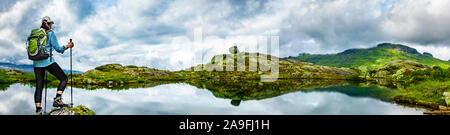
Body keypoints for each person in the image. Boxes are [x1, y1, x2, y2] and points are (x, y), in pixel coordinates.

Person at [33, 16, 74, 115]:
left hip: (36, 63)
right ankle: (57, 99)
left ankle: (38, 110)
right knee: (63, 78)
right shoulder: (50, 33)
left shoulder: (35, 34)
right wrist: (68, 46)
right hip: (48, 61)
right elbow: (59, 49)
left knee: (39, 86)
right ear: (48, 24)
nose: (51, 26)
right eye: (51, 24)